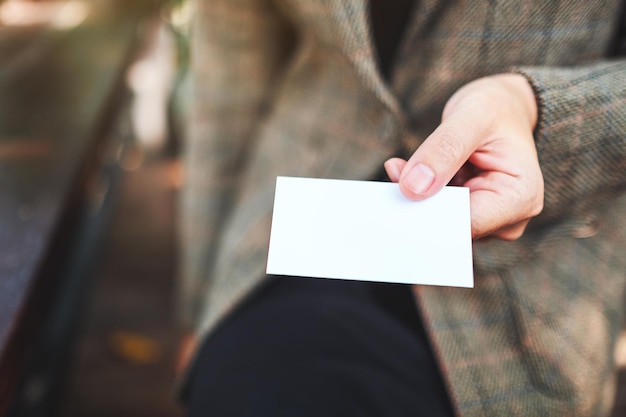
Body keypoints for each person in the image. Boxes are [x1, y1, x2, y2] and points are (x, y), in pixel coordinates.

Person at [178, 0, 626, 416]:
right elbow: (231, 77)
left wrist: (532, 107)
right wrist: (203, 304)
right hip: (285, 232)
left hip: (530, 282)